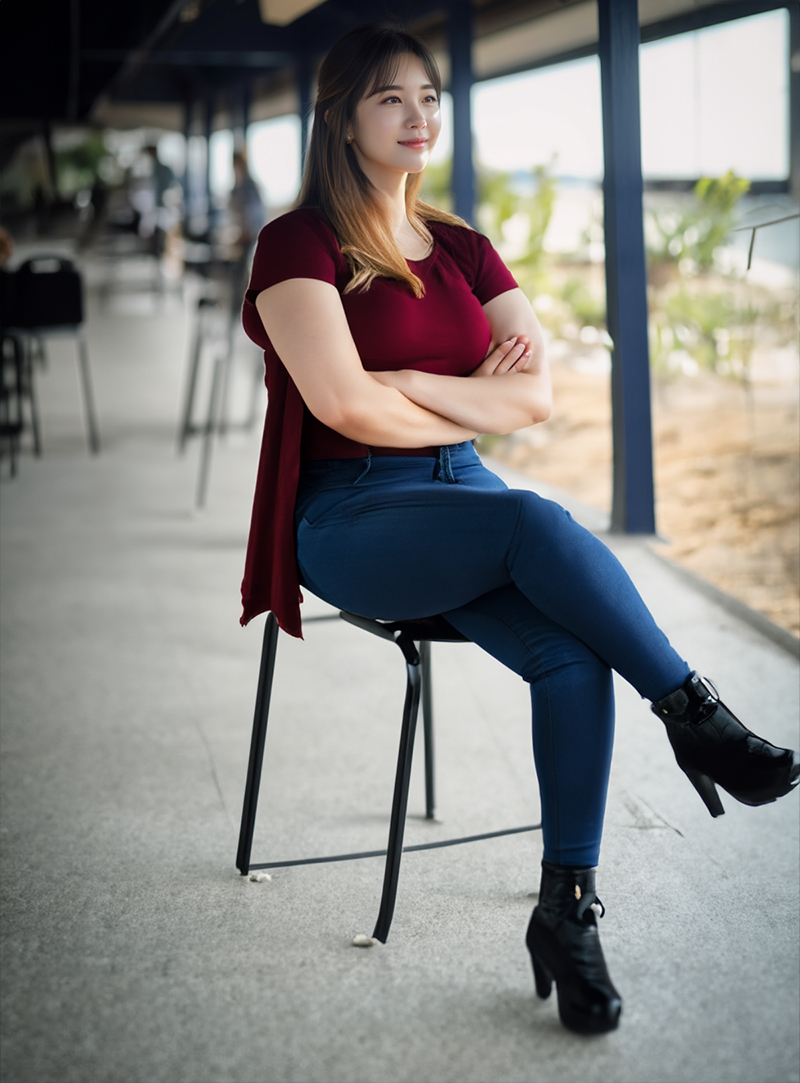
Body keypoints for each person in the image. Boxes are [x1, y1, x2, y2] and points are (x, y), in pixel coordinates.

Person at [239, 22, 799, 1035]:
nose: (418, 116)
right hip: (353, 513)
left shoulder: (461, 245)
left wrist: (406, 380)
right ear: (339, 118)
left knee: (570, 658)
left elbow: (534, 397)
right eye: (389, 99)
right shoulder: (297, 244)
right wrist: (451, 393)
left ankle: (566, 911)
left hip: (461, 497)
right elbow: (341, 410)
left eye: (428, 96)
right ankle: (693, 714)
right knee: (535, 520)